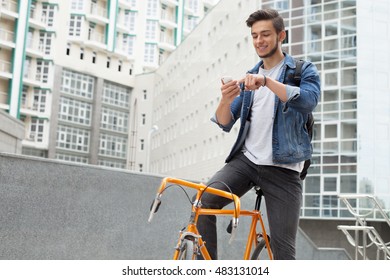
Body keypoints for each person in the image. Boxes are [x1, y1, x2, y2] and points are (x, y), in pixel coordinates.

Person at [197, 9, 321, 260]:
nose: (259, 41)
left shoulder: (301, 71)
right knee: (203, 203)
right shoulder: (249, 76)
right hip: (246, 162)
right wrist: (225, 99)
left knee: (284, 252)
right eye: (254, 36)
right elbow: (224, 122)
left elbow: (308, 101)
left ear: (281, 35)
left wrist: (267, 83)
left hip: (284, 169)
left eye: (265, 34)